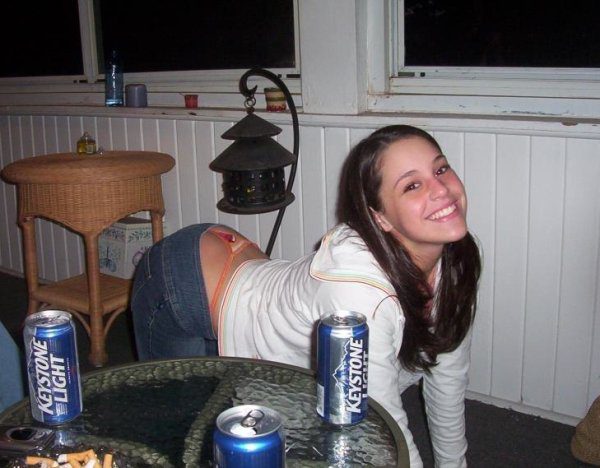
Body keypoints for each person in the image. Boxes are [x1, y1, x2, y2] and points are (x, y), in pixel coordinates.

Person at [131, 124, 481, 467]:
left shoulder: (456, 261)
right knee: (181, 436)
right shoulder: (359, 295)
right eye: (412, 185)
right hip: (181, 282)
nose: (441, 190)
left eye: (440, 169)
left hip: (236, 268)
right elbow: (381, 428)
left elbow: (447, 380)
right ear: (380, 219)